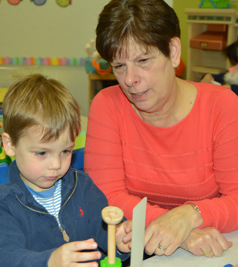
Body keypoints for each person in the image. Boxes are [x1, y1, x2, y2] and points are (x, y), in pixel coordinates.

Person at [84, 0, 238, 259]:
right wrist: (179, 229)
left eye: (143, 60)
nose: (130, 79)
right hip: (139, 249)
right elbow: (105, 197)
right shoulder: (107, 105)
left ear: (173, 51)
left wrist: (190, 215)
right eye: (119, 66)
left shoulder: (222, 106)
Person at [0, 74, 132, 267]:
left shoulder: (82, 186)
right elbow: (5, 259)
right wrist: (49, 261)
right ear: (10, 144)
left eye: (65, 151)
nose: (56, 164)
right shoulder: (4, 206)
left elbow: (104, 231)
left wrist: (120, 239)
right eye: (42, 153)